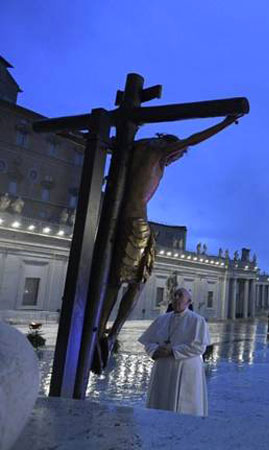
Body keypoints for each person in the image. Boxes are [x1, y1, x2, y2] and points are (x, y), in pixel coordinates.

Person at [92, 114, 242, 374]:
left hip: (114, 217)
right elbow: (195, 139)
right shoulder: (157, 151)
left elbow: (99, 145)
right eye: (178, 155)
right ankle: (111, 333)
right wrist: (227, 121)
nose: (175, 159)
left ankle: (99, 327)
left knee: (115, 279)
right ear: (171, 146)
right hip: (136, 220)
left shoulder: (132, 149)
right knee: (135, 282)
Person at [138, 288, 211, 416]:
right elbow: (148, 341)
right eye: (175, 295)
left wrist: (173, 351)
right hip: (162, 369)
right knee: (160, 403)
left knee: (184, 406)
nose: (177, 298)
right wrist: (155, 351)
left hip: (185, 369)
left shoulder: (197, 320)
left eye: (180, 296)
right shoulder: (162, 319)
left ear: (189, 301)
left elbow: (199, 347)